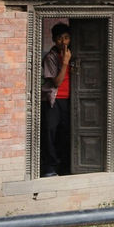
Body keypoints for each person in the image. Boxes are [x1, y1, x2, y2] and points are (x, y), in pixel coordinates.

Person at [40, 22, 76, 177]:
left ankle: (65, 166)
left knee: (66, 133)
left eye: (66, 38)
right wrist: (65, 63)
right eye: (60, 38)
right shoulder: (51, 57)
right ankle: (50, 168)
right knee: (50, 133)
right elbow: (56, 82)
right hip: (53, 101)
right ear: (54, 40)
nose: (63, 42)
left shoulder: (73, 53)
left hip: (70, 100)